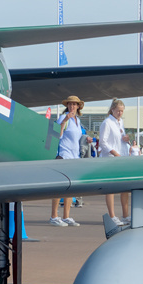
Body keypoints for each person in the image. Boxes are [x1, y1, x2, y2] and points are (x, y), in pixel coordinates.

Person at [50, 96, 84, 226]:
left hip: (74, 156)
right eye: (70, 104)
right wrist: (65, 120)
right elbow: (58, 135)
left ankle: (66, 216)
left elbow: (77, 137)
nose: (72, 106)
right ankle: (54, 216)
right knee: (60, 186)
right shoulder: (64, 118)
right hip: (64, 155)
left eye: (74, 104)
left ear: (78, 106)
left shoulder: (77, 120)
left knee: (71, 188)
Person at [99, 100, 131, 225]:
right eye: (118, 110)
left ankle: (125, 215)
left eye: (122, 111)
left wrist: (126, 139)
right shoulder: (107, 122)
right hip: (111, 159)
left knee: (125, 187)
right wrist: (115, 153)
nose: (120, 113)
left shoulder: (120, 122)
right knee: (111, 188)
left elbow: (120, 139)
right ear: (112, 109)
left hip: (121, 157)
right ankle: (112, 216)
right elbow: (103, 142)